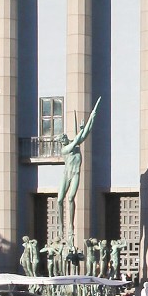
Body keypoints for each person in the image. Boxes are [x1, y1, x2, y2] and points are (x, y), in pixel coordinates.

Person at [56, 96, 100, 242]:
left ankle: (70, 226)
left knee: (70, 198)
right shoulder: (65, 149)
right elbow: (76, 139)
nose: (62, 139)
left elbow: (85, 133)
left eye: (63, 137)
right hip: (66, 174)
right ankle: (61, 226)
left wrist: (91, 119)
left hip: (75, 173)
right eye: (61, 139)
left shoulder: (76, 145)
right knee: (59, 200)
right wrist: (82, 129)